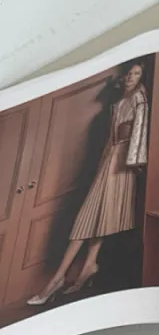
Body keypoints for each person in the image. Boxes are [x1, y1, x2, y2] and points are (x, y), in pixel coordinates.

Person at [28, 62, 149, 306]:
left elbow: (139, 131)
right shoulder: (120, 100)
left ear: (140, 78)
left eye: (136, 74)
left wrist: (134, 161)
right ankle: (89, 265)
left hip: (122, 163)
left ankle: (57, 279)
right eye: (128, 73)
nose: (130, 77)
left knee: (90, 217)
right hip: (109, 158)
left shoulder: (139, 99)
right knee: (99, 216)